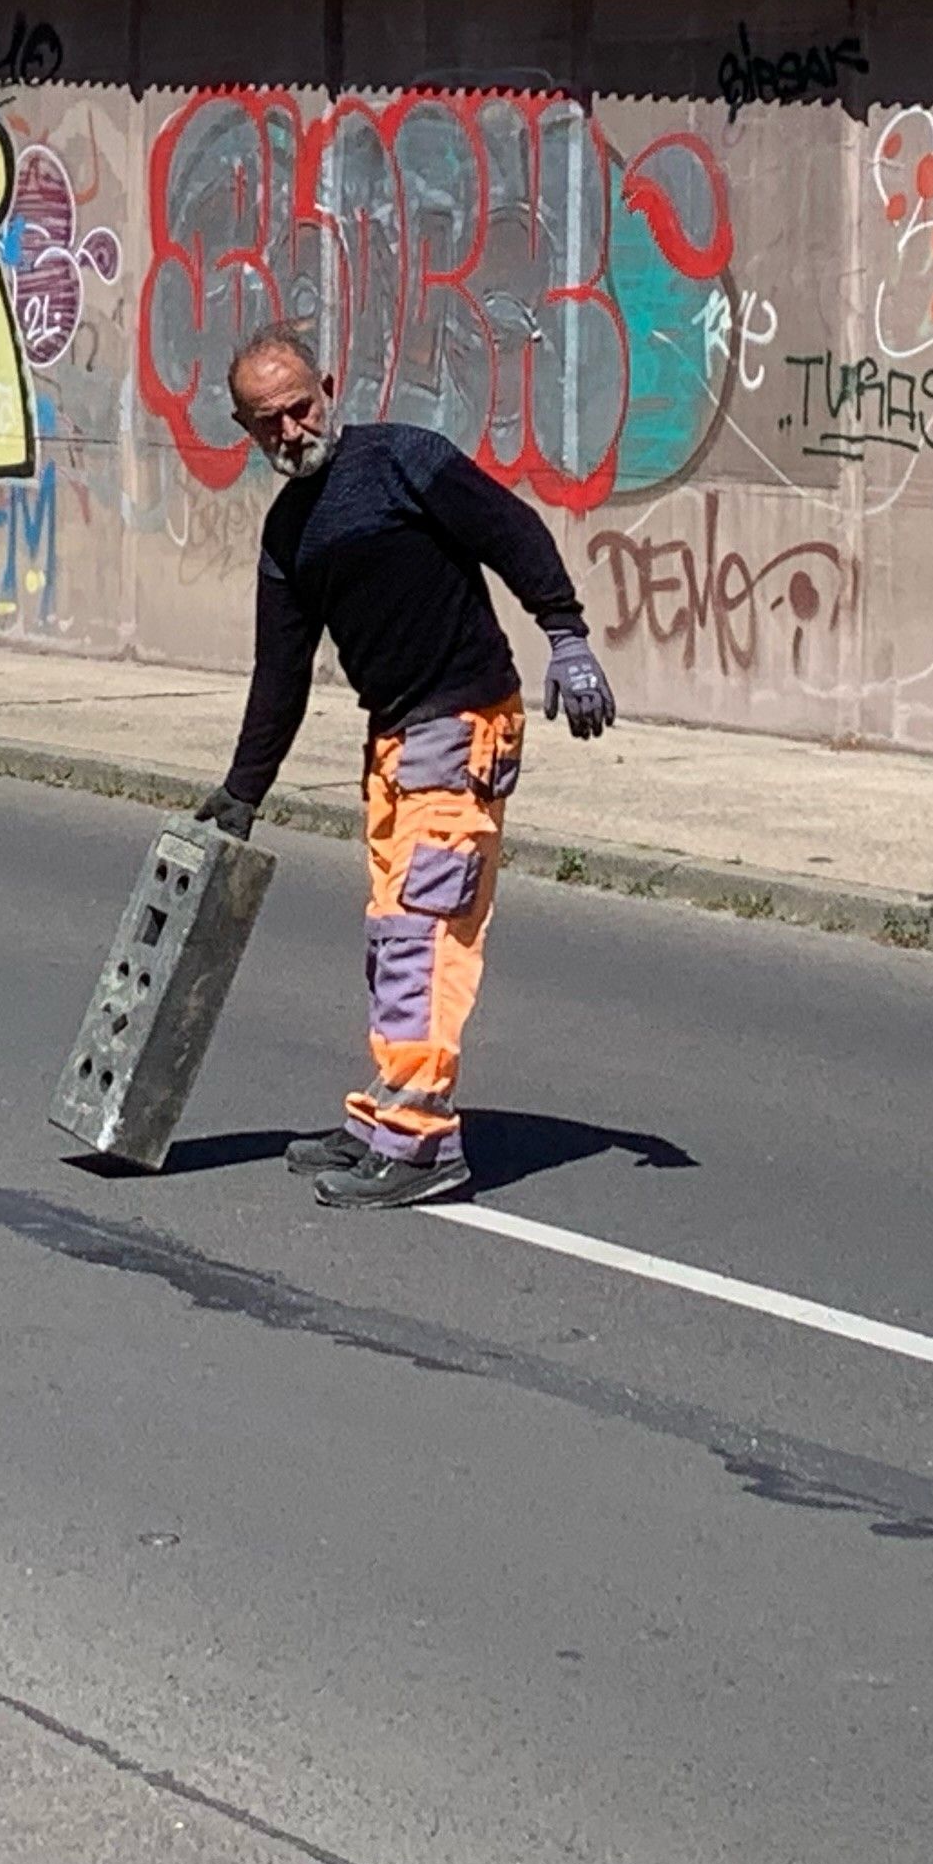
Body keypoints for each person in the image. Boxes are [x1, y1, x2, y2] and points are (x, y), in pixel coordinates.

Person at [195, 322, 618, 1211]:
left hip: (462, 724)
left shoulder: (402, 462)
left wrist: (567, 638)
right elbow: (280, 681)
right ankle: (387, 1116)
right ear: (244, 428)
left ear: (331, 388)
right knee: (394, 938)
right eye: (267, 422)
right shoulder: (289, 534)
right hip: (391, 742)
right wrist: (241, 796)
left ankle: (423, 1148)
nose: (291, 433)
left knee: (425, 939)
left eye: (300, 409)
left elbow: (514, 532)